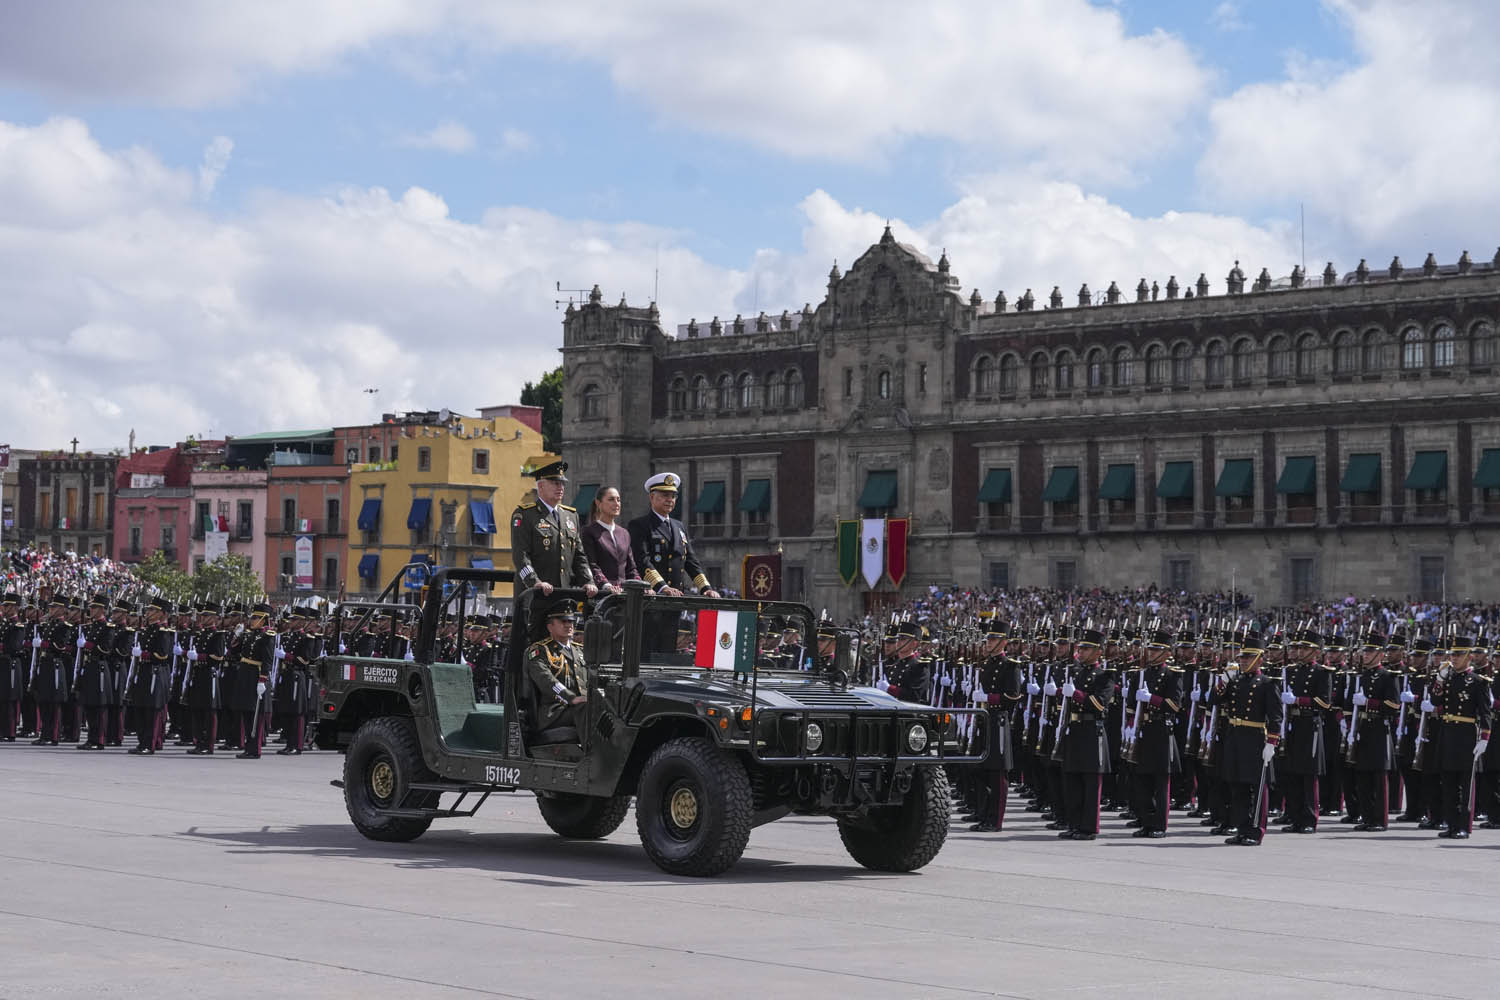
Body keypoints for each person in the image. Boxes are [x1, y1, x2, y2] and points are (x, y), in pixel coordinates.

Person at [627, 472, 718, 656]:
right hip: (652, 600)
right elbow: (642, 560)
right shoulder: (640, 525)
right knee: (649, 650)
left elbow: (690, 561)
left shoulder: (679, 526)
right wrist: (662, 587)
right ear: (652, 497)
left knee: (668, 651)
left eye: (673, 496)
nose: (670, 500)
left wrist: (705, 588)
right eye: (664, 495)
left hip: (675, 601)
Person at [1218, 630, 1284, 846]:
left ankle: (1256, 831)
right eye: (1242, 657)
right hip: (1236, 737)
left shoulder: (1267, 683)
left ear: (1258, 658)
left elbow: (1275, 718)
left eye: (1247, 657)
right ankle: (1242, 828)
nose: (1243, 661)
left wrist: (1271, 743)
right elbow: (1215, 701)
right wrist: (1222, 681)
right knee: (1238, 788)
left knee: (1258, 789)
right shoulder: (1235, 682)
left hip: (1255, 739)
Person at [509, 460, 597, 599]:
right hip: (534, 595)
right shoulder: (525, 515)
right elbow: (520, 557)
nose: (560, 487)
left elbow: (579, 556)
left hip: (562, 594)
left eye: (562, 483)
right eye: (555, 483)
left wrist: (588, 581)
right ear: (541, 486)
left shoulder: (571, 516)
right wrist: (534, 582)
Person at [523, 602, 589, 736]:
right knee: (586, 710)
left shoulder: (580, 650)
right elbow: (546, 680)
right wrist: (570, 698)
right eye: (563, 621)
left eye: (571, 621)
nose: (568, 625)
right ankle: (593, 754)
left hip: (580, 705)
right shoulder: (539, 650)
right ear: (550, 627)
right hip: (555, 711)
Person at [579, 486, 638, 593]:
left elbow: (631, 568)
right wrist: (605, 585)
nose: (616, 503)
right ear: (598, 503)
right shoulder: (588, 531)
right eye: (611, 500)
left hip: (625, 594)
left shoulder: (624, 533)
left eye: (618, 500)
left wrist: (642, 587)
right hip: (600, 594)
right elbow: (591, 564)